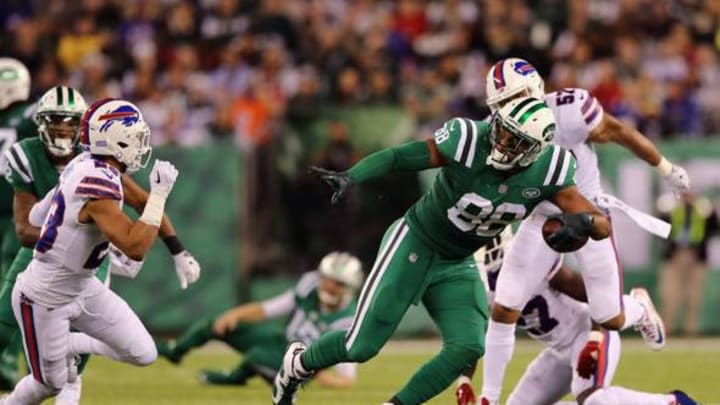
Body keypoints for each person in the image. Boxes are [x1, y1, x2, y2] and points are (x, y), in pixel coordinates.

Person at [273, 95, 613, 405]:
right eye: (503, 130)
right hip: (415, 241)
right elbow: (401, 156)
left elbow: (600, 221)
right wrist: (354, 175)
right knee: (361, 347)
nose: (502, 140)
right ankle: (297, 363)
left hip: (457, 260)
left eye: (515, 140)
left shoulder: (549, 169)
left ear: (535, 149)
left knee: (467, 347)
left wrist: (584, 224)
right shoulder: (468, 139)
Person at [479, 58, 690, 405]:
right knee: (505, 303)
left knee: (610, 315)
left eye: (512, 99)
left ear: (533, 91)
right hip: (540, 220)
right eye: (500, 104)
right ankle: (489, 397)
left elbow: (619, 132)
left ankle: (636, 306)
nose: (506, 110)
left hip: (588, 214)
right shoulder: (496, 132)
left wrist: (665, 167)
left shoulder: (568, 112)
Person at [0, 86, 201, 404]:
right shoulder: (94, 180)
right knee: (47, 385)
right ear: (114, 139)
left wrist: (177, 248)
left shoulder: (87, 164)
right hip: (45, 296)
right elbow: (135, 246)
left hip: (83, 287)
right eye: (134, 137)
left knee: (144, 352)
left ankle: (72, 344)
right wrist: (161, 195)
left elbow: (41, 213)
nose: (140, 144)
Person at [455, 228, 699, 405]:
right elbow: (473, 337)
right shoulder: (479, 285)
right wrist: (464, 381)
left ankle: (673, 401)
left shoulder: (531, 262)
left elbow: (593, 296)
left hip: (587, 332)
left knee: (593, 398)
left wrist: (594, 338)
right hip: (558, 349)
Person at [156, 251, 362, 388]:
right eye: (326, 278)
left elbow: (347, 377)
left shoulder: (348, 319)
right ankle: (177, 350)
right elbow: (269, 309)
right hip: (280, 341)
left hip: (300, 361)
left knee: (258, 356)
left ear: (349, 286)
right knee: (215, 325)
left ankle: (234, 378)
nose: (328, 286)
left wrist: (312, 374)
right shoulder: (309, 287)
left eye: (337, 283)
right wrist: (234, 315)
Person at [0, 57, 37, 388]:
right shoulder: (24, 117)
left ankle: (10, 360)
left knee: (14, 288)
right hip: (13, 213)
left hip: (18, 215)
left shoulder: (26, 115)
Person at [658, 192, 718, 336]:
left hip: (696, 256)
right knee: (669, 294)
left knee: (694, 295)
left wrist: (712, 212)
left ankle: (690, 330)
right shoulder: (672, 209)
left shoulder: (702, 210)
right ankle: (666, 328)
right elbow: (660, 227)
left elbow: (714, 227)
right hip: (675, 255)